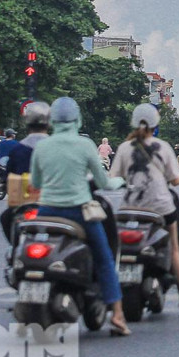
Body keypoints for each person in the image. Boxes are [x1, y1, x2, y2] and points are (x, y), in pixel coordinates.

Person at [30, 97, 130, 336]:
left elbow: (36, 183)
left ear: (52, 121)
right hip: (78, 211)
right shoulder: (85, 146)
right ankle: (117, 314)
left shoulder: (42, 146)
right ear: (78, 120)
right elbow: (104, 182)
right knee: (104, 257)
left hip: (46, 212)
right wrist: (119, 181)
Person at [108, 103, 179, 316]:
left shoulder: (124, 148)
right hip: (160, 208)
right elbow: (175, 180)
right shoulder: (162, 146)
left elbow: (113, 179)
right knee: (175, 249)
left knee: (114, 251)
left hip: (130, 207)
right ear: (155, 124)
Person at [0, 101, 51, 239]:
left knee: (5, 218)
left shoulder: (18, 150)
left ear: (26, 124)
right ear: (48, 123)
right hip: (52, 202)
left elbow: (8, 177)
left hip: (25, 202)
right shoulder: (55, 148)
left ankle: (14, 251)